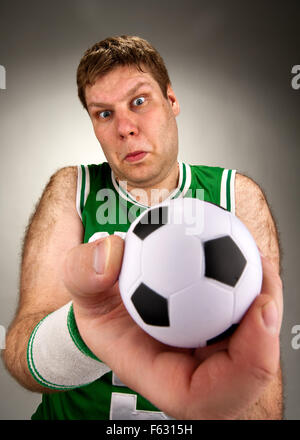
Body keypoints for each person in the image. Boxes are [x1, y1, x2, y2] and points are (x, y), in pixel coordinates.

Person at [2, 35, 283, 420]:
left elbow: (262, 381)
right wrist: (88, 333)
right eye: (104, 113)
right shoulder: (73, 188)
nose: (125, 128)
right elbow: (20, 354)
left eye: (138, 101)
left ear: (171, 101)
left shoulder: (235, 196)